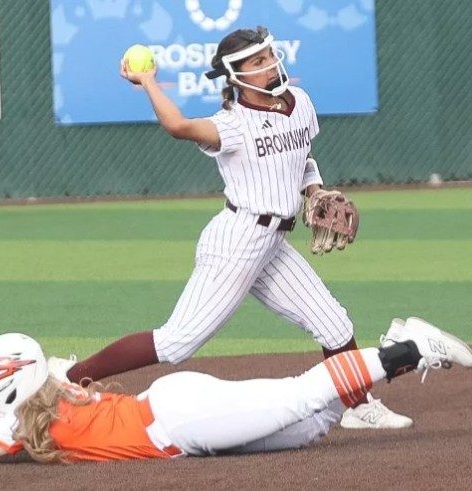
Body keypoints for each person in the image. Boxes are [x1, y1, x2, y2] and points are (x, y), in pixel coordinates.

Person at [58, 25, 411, 430]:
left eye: (270, 55)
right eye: (258, 62)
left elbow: (304, 159)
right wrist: (149, 83)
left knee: (334, 323)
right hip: (238, 241)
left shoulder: (300, 102)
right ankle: (67, 378)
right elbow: (178, 127)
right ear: (236, 75)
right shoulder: (232, 123)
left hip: (274, 243)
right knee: (178, 341)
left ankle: (358, 404)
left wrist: (315, 190)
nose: (270, 64)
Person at [0, 317, 472, 466]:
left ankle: (408, 346)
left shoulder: (22, 420)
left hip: (178, 419)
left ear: (9, 378)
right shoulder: (40, 397)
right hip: (176, 413)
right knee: (309, 425)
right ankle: (391, 355)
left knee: (296, 397)